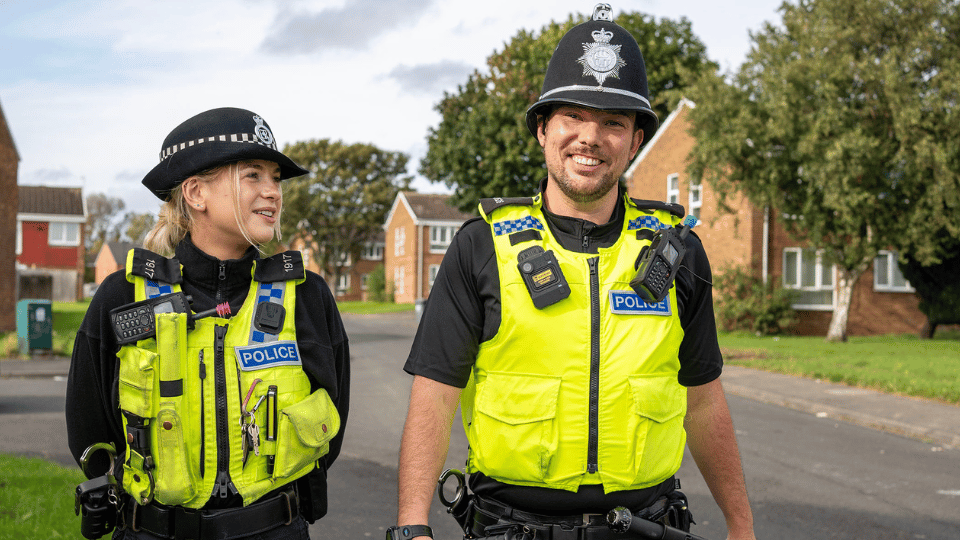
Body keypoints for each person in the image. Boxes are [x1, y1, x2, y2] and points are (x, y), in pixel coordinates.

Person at [394, 4, 756, 540]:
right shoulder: (480, 246)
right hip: (510, 528)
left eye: (613, 122)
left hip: (645, 527)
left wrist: (741, 526)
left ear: (635, 142)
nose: (590, 137)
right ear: (543, 129)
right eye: (573, 117)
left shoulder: (679, 252)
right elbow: (436, 393)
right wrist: (411, 524)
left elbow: (703, 400)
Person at [66, 107, 350, 540]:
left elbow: (334, 417)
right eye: (254, 175)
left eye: (276, 178)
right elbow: (90, 432)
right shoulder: (123, 296)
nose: (273, 192)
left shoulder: (307, 296)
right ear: (196, 192)